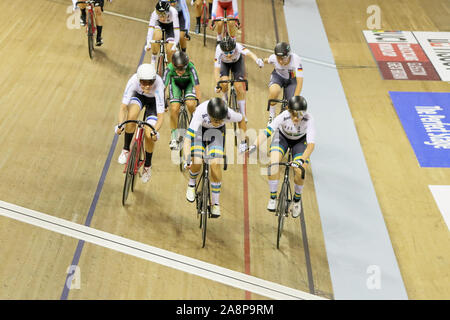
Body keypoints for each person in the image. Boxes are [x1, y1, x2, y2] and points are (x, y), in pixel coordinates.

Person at [246, 96, 315, 218]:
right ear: (289, 111)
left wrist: (300, 160)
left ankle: (297, 200)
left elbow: (310, 146)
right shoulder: (284, 115)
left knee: (300, 170)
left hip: (300, 142)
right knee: (273, 164)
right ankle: (273, 197)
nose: (295, 118)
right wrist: (254, 146)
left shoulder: (309, 120)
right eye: (293, 114)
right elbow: (267, 131)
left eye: (299, 116)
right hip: (282, 138)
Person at [182, 98, 245, 218]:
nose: (216, 122)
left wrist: (242, 141)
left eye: (219, 120)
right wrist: (187, 159)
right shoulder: (200, 112)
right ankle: (191, 183)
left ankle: (215, 203)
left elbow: (242, 119)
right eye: (214, 120)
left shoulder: (229, 114)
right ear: (209, 114)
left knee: (215, 164)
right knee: (197, 160)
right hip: (199, 131)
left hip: (216, 134)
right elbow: (187, 140)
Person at [115, 64, 165, 183]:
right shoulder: (133, 81)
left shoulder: (158, 85)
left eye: (150, 82)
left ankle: (147, 166)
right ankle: (126, 149)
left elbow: (161, 116)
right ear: (138, 80)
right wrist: (120, 124)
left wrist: (154, 131)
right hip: (139, 97)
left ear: (154, 80)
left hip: (154, 103)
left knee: (149, 134)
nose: (147, 86)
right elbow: (123, 107)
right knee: (131, 116)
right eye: (143, 82)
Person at [214, 36, 263, 151]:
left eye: (231, 52)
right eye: (226, 53)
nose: (229, 54)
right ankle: (225, 99)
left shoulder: (238, 46)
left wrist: (257, 60)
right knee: (224, 83)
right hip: (224, 65)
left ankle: (242, 112)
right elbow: (216, 70)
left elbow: (249, 53)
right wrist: (218, 84)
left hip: (237, 64)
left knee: (239, 86)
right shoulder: (218, 50)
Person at [163, 51, 201, 150]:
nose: (180, 72)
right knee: (174, 108)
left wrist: (199, 103)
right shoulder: (169, 69)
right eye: (177, 69)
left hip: (189, 85)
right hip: (176, 85)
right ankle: (174, 137)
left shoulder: (191, 68)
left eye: (183, 69)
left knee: (191, 104)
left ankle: (195, 127)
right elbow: (163, 87)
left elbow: (197, 86)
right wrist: (164, 103)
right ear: (173, 65)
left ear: (186, 65)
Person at [264, 42, 304, 125]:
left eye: (284, 58)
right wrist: (261, 61)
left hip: (291, 80)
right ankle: (272, 115)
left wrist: (294, 100)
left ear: (289, 55)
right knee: (274, 92)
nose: (281, 61)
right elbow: (266, 60)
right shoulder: (273, 58)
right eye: (279, 58)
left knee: (291, 107)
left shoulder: (296, 60)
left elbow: (300, 82)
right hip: (278, 77)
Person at [145, 1, 180, 66]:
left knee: (170, 50)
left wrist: (175, 43)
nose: (161, 18)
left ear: (167, 12)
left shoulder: (174, 12)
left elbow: (176, 30)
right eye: (159, 15)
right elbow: (150, 29)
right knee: (157, 35)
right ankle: (153, 58)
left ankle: (169, 68)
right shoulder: (154, 13)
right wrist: (148, 43)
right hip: (159, 24)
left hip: (171, 26)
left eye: (163, 15)